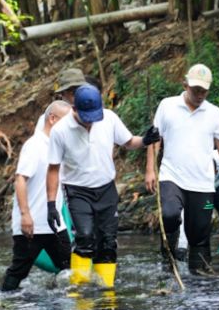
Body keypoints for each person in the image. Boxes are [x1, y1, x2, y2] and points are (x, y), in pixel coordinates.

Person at [47, 84, 159, 288]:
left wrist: (145, 140)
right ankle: (79, 292)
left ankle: (105, 291)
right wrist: (50, 204)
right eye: (86, 117)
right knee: (85, 237)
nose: (91, 122)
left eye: (94, 117)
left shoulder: (109, 118)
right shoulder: (60, 131)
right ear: (74, 109)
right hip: (77, 190)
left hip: (106, 188)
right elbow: (53, 168)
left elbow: (128, 142)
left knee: (108, 241)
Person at [145, 64, 219, 273]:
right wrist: (150, 170)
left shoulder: (214, 113)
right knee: (170, 214)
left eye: (203, 91)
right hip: (172, 175)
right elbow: (155, 139)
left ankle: (200, 280)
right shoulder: (167, 105)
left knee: (199, 235)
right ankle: (168, 258)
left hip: (202, 182)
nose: (199, 94)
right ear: (185, 84)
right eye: (195, 89)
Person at [1, 100, 72, 292]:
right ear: (52, 119)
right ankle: (1, 302)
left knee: (70, 266)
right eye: (67, 121)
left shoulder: (59, 146)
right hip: (31, 224)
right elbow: (20, 179)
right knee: (18, 272)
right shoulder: (35, 145)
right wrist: (25, 215)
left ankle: (62, 308)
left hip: (54, 223)